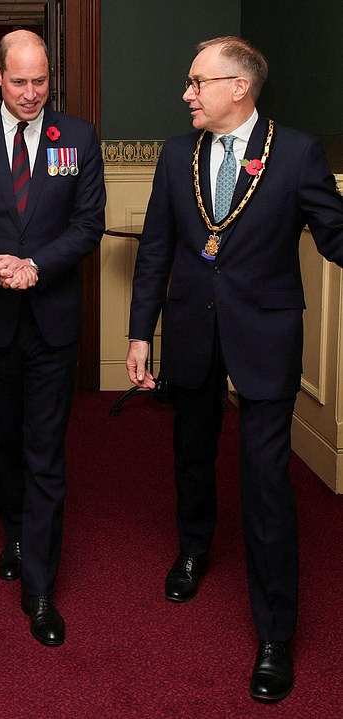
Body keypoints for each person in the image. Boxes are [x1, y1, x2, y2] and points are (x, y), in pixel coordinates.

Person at [126, 36, 343, 702]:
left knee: (265, 482)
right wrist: (140, 334)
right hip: (192, 330)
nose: (187, 93)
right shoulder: (173, 154)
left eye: (198, 81)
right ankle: (194, 548)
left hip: (266, 337)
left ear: (238, 87)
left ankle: (276, 633)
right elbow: (156, 250)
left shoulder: (298, 153)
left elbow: (335, 235)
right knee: (191, 452)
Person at [0, 30, 105, 646]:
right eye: (20, 81)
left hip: (53, 323)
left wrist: (38, 266)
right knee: (3, 441)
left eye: (41, 81)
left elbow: (89, 225)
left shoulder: (77, 138)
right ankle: (15, 531)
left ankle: (40, 588)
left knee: (45, 451)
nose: (32, 94)